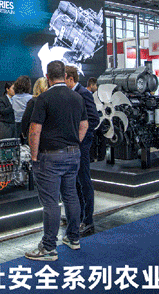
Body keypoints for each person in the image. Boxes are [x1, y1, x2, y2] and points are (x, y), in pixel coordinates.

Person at [26, 60, 88, 261]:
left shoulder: (44, 98)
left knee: (51, 203)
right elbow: (85, 125)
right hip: (73, 154)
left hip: (50, 157)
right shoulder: (77, 97)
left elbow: (35, 130)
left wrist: (34, 156)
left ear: (47, 77)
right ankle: (73, 238)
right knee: (71, 196)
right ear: (64, 75)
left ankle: (49, 248)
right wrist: (74, 143)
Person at [65, 66, 100, 236]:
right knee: (75, 182)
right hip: (73, 145)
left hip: (82, 145)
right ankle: (78, 216)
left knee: (84, 181)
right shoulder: (70, 94)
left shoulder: (83, 94)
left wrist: (81, 138)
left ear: (70, 79)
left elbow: (94, 119)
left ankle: (88, 220)